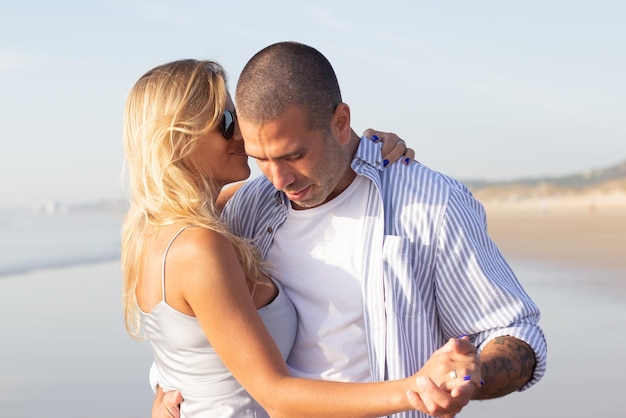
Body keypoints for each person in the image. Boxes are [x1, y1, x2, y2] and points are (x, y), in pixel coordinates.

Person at [153, 41, 547, 418]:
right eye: (261, 159)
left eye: (294, 155)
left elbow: (516, 333)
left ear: (341, 122)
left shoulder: (430, 204)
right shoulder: (248, 208)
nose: (279, 179)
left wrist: (466, 378)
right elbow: (193, 310)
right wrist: (163, 384)